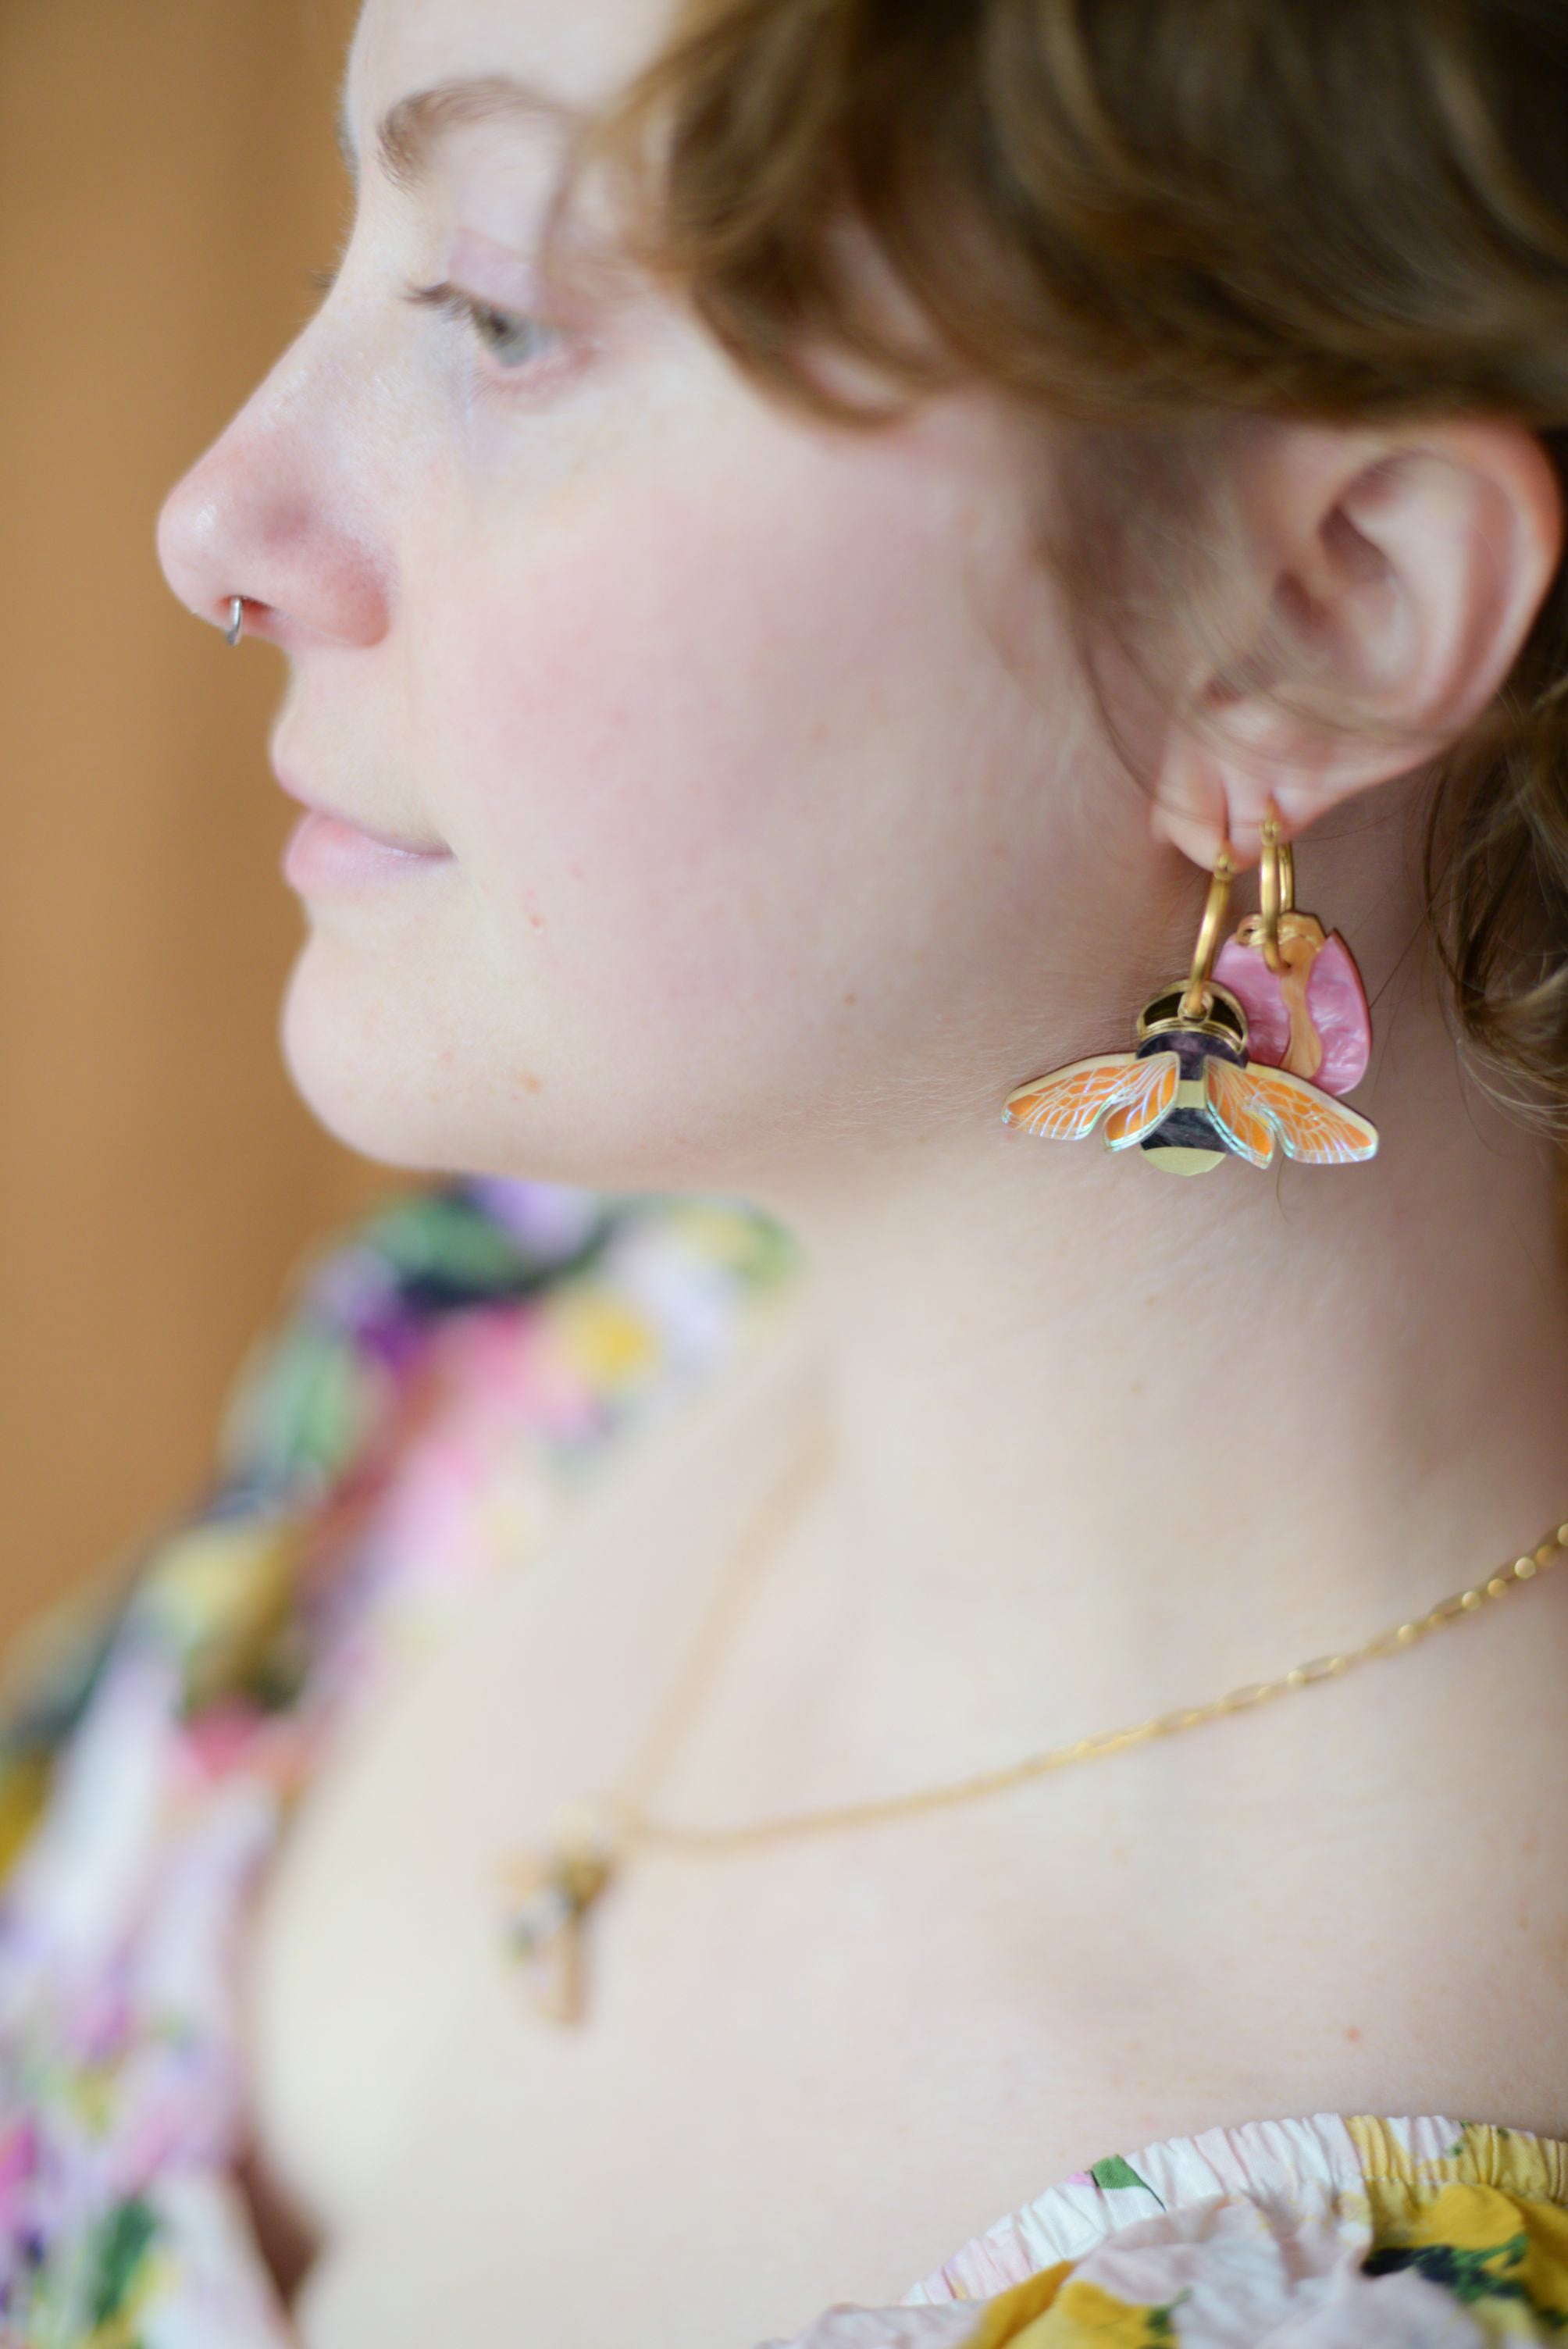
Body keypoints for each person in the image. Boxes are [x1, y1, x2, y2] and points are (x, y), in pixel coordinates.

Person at [7, 0, 1568, 2339]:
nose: (217, 522)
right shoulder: (527, 1339)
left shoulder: (1351, 2275)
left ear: (1318, 604)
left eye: (504, 310)